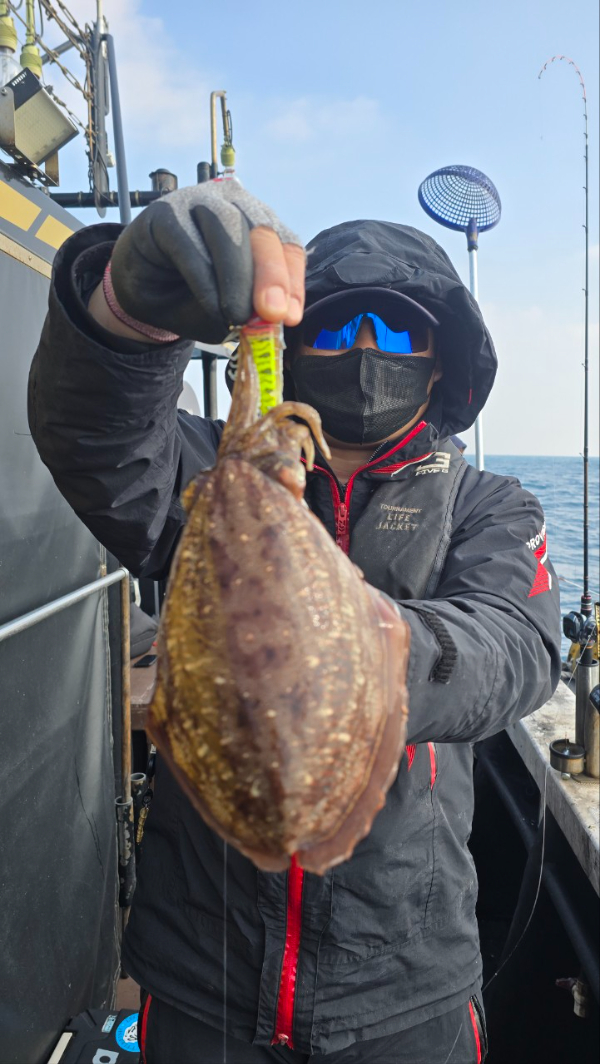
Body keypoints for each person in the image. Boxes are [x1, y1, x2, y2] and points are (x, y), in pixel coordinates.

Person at [28, 181, 561, 1063]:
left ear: (439, 361)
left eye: (397, 332)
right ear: (297, 346)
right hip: (203, 962)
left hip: (404, 975)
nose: (365, 349)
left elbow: (515, 647)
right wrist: (123, 317)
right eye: (336, 327)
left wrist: (357, 642)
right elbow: (100, 442)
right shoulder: (212, 472)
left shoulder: (490, 505)